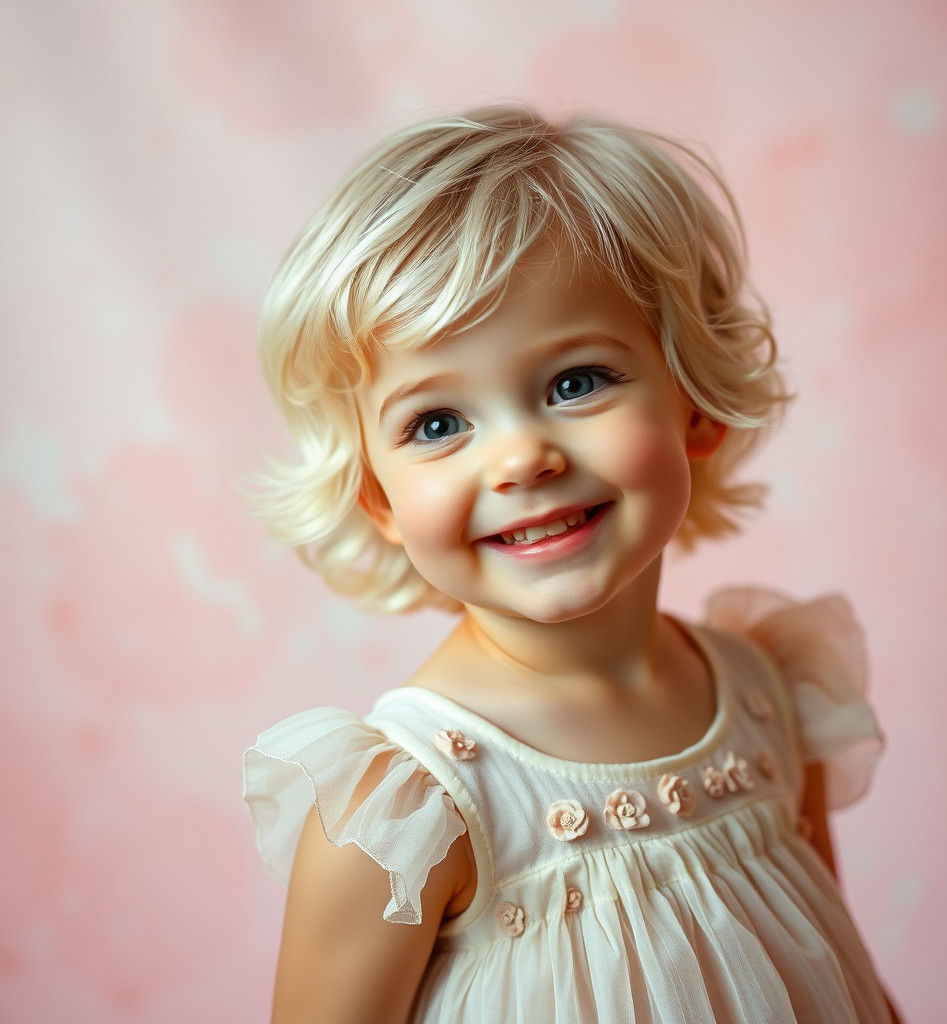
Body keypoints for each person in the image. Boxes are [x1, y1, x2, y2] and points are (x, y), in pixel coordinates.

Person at [243, 105, 900, 1023]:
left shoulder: (769, 696)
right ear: (382, 502)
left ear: (696, 405)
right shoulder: (409, 814)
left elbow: (842, 981)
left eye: (575, 382)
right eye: (438, 424)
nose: (521, 459)